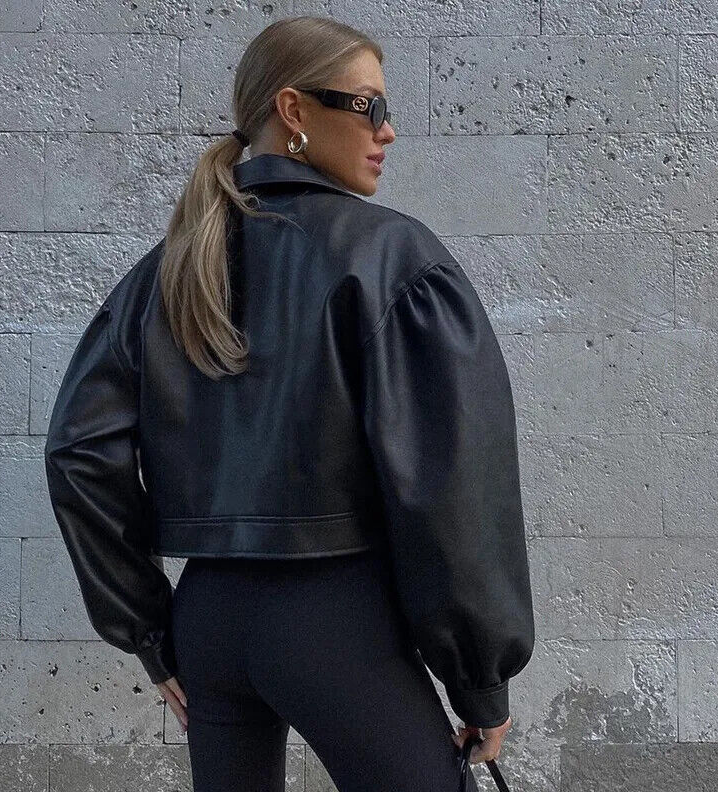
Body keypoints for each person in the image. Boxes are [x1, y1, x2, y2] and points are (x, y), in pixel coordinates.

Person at [43, 14, 535, 792]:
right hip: (335, 624)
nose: (387, 130)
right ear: (293, 109)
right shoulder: (388, 256)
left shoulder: (166, 272)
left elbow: (78, 451)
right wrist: (480, 679)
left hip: (207, 622)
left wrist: (150, 630)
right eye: (369, 105)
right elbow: (452, 483)